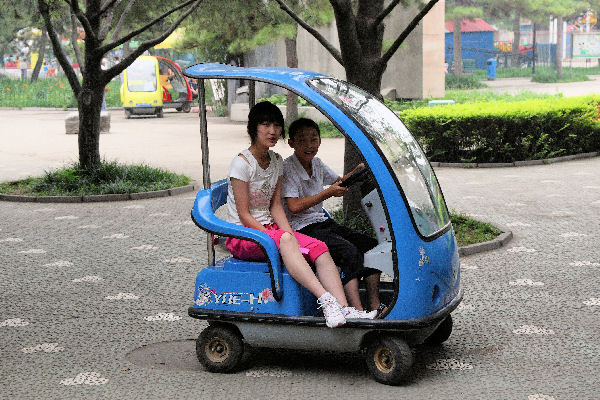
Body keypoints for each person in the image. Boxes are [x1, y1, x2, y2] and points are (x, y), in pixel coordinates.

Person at [225, 101, 375, 328]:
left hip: (272, 230)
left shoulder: (275, 161)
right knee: (287, 239)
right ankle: (326, 301)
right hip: (244, 234)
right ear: (253, 128)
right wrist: (277, 236)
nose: (273, 131)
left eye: (277, 125)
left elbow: (275, 207)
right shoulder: (241, 163)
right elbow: (244, 215)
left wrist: (288, 233)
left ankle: (346, 310)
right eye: (266, 125)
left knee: (319, 248)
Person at [282, 118, 386, 318]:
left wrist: (358, 171)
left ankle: (375, 304)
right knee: (349, 251)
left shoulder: (317, 164)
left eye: (313, 139)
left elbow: (338, 181)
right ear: (291, 143)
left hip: (322, 222)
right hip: (302, 228)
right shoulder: (289, 169)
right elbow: (293, 206)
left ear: (320, 141)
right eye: (302, 140)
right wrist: (327, 193)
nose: (309, 145)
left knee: (372, 245)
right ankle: (356, 311)